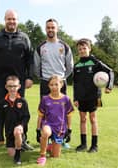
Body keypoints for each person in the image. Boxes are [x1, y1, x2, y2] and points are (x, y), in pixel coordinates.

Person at [0, 9, 34, 149]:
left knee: (20, 109)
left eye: (14, 19)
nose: (11, 21)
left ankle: (22, 139)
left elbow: (30, 59)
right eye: (9, 19)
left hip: (18, 81)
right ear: (5, 20)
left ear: (17, 21)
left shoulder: (24, 37)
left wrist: (29, 77)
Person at [34, 18, 74, 148]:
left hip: (61, 83)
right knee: (46, 111)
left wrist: (61, 79)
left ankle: (61, 139)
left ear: (57, 29)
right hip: (46, 82)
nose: (51, 29)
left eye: (53, 27)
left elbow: (70, 66)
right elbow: (36, 66)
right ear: (46, 29)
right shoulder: (41, 47)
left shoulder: (64, 46)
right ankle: (47, 137)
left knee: (62, 111)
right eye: (48, 27)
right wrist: (45, 79)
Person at [73, 38, 114, 153]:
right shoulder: (77, 66)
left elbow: (110, 71)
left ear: (89, 49)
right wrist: (75, 98)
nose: (82, 50)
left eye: (84, 48)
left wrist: (109, 86)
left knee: (93, 119)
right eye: (80, 49)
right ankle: (83, 144)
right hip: (81, 97)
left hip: (94, 96)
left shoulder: (96, 62)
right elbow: (75, 84)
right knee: (82, 119)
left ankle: (94, 146)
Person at [36, 75, 74, 166]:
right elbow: (40, 115)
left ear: (61, 85)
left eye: (56, 84)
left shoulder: (66, 99)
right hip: (48, 124)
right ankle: (42, 156)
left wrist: (69, 130)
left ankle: (50, 146)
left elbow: (69, 115)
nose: (54, 87)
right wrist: (38, 129)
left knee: (55, 156)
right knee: (45, 133)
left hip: (60, 128)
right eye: (51, 85)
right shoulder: (45, 99)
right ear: (48, 86)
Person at [0, 75, 30, 165]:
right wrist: (0, 136)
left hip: (19, 130)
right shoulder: (2, 102)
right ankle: (20, 145)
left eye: (15, 86)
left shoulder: (22, 101)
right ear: (6, 87)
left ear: (19, 86)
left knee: (17, 132)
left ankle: (18, 155)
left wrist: (21, 126)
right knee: (11, 154)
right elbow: (0, 120)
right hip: (8, 132)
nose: (12, 89)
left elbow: (26, 116)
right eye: (10, 86)